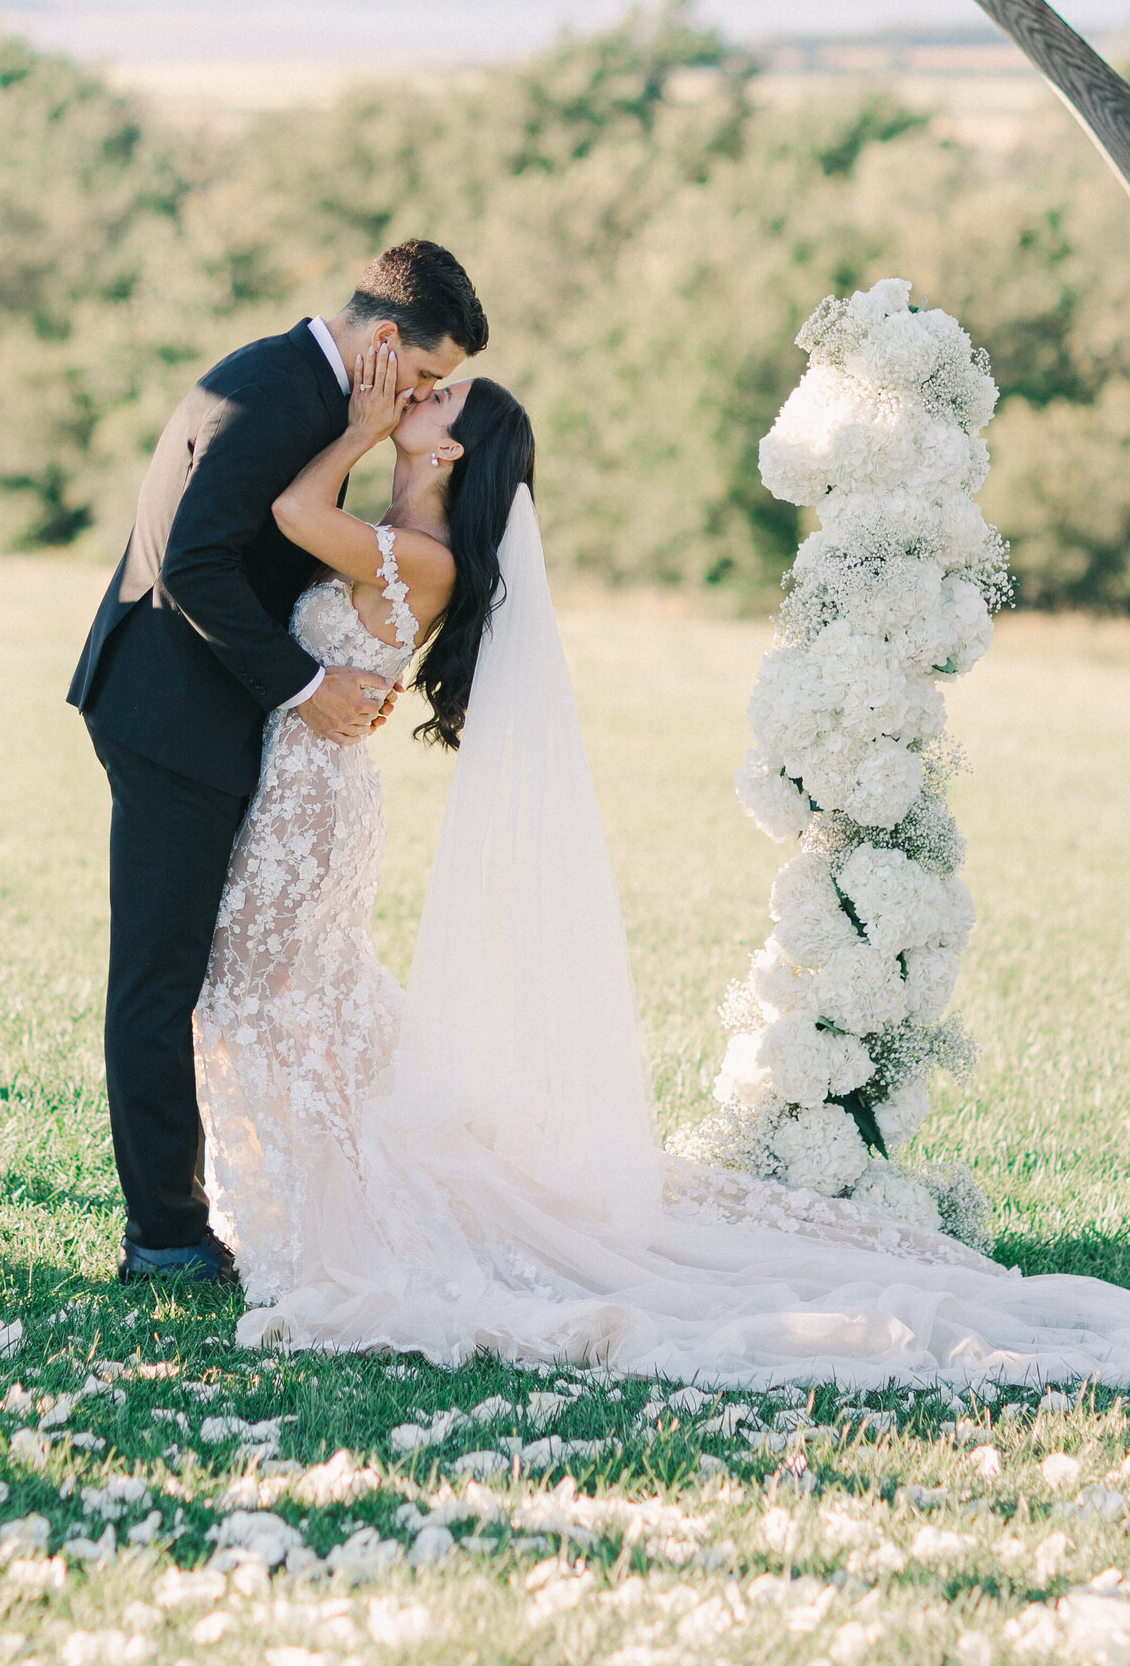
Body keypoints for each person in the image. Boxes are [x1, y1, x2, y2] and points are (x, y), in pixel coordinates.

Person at [192, 357, 1130, 1386]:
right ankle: (292, 1190)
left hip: (311, 807)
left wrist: (359, 426)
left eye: (441, 400)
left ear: (452, 448)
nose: (421, 394)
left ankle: (308, 1208)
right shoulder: (395, 527)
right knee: (288, 1001)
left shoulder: (419, 556)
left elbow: (289, 508)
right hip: (296, 792)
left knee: (259, 993)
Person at [68, 239, 489, 1284]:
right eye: (428, 378)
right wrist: (307, 686)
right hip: (173, 715)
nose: (425, 400)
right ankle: (164, 1235)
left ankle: (271, 1196)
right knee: (161, 980)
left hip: (219, 717)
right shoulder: (274, 393)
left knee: (228, 974)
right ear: (385, 342)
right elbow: (192, 563)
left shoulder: (307, 391)